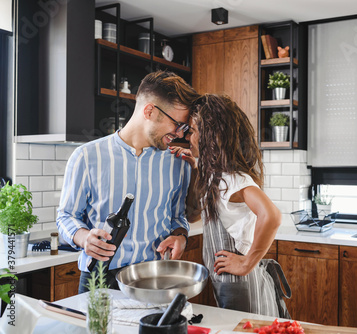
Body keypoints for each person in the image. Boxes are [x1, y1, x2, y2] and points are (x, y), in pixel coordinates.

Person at [57, 71, 199, 293]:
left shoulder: (177, 162)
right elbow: (66, 216)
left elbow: (177, 216)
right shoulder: (86, 156)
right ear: (150, 111)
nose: (178, 133)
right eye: (176, 124)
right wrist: (84, 237)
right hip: (99, 279)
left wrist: (180, 236)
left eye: (184, 128)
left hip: (154, 277)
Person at [171, 94, 291, 317]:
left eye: (193, 131)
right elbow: (195, 216)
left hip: (241, 281)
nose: (188, 137)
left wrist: (246, 263)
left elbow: (272, 216)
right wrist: (195, 169)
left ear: (210, 136)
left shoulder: (232, 179)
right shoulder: (216, 176)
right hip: (228, 281)